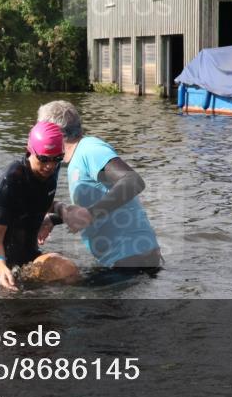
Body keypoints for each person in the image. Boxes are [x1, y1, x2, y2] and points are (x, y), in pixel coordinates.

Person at [37, 100, 162, 270]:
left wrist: (91, 214)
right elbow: (89, 207)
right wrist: (53, 218)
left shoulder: (90, 150)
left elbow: (133, 181)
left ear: (55, 134)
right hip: (125, 259)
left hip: (132, 258)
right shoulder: (75, 158)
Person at [0, 122, 80, 290]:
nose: (50, 166)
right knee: (10, 306)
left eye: (57, 158)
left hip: (28, 256)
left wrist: (59, 212)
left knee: (68, 272)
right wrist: (1, 268)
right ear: (29, 150)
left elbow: (38, 201)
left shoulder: (51, 171)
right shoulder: (10, 179)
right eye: (44, 159)